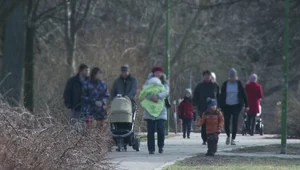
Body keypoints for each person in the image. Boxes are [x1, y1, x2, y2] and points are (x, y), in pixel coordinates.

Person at [143, 66, 169, 154]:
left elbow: (166, 92)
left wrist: (157, 96)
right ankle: (151, 148)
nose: (158, 74)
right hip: (150, 109)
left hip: (161, 109)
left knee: (161, 129)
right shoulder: (148, 82)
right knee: (150, 130)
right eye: (156, 72)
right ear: (153, 73)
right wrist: (151, 97)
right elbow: (145, 93)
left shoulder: (164, 82)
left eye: (160, 72)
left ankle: (161, 146)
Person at [219, 68, 248, 145]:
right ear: (229, 77)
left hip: (236, 105)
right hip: (227, 106)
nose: (232, 78)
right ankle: (228, 136)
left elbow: (243, 94)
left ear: (236, 76)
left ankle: (233, 139)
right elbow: (221, 95)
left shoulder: (239, 84)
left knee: (235, 122)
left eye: (234, 77)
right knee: (227, 122)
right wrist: (220, 105)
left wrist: (246, 105)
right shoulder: (225, 84)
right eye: (231, 77)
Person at [193, 70, 220, 145]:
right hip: (203, 108)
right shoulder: (200, 86)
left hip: (213, 108)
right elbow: (195, 96)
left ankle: (212, 137)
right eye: (205, 76)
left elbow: (219, 96)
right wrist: (195, 105)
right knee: (204, 123)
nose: (207, 77)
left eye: (208, 76)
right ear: (203, 77)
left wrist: (219, 106)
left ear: (211, 77)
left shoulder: (215, 86)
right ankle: (204, 139)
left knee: (213, 123)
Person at [81, 67, 109, 132]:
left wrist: (102, 102)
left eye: (100, 74)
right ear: (94, 74)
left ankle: (99, 141)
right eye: (99, 74)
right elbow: (83, 97)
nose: (100, 75)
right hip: (89, 111)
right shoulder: (87, 84)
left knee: (101, 131)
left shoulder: (103, 84)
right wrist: (94, 102)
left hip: (101, 111)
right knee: (89, 130)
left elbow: (106, 95)